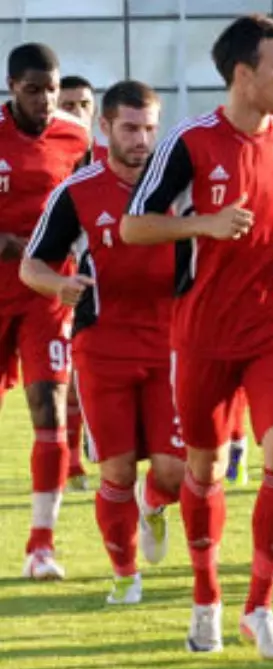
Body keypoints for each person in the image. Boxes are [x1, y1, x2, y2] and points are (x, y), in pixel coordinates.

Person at [121, 14, 273, 661]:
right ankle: (205, 599)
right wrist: (202, 225)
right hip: (203, 335)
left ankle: (258, 609)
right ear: (244, 74)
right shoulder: (190, 142)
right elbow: (133, 227)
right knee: (203, 471)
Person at [21, 80, 184, 605]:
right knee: (114, 469)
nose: (142, 139)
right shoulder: (77, 191)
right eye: (131, 128)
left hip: (169, 343)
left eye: (150, 128)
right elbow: (32, 265)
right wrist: (59, 285)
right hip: (102, 346)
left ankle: (154, 504)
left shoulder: (180, 188)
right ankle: (125, 575)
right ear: (105, 127)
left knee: (174, 473)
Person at [0, 43, 92, 581]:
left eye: (51, 89)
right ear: (12, 87)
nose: (44, 99)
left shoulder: (74, 137)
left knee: (50, 409)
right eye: (32, 89)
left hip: (46, 293)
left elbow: (90, 201)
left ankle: (41, 546)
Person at [57, 73, 99, 491]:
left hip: (94, 278)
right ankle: (70, 459)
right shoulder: (48, 153)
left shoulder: (109, 158)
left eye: (83, 104)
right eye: (67, 105)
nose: (75, 113)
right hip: (50, 275)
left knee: (80, 371)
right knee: (64, 374)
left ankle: (84, 445)